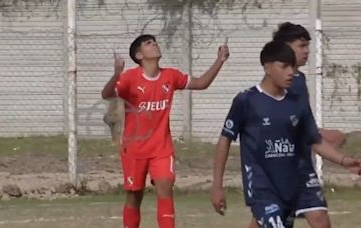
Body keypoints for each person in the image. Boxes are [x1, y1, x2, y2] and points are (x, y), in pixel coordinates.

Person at [210, 40, 361, 228]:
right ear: (267, 67)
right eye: (284, 66)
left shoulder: (296, 102)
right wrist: (217, 186)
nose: (290, 72)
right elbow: (225, 140)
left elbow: (313, 139)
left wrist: (344, 160)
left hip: (294, 181)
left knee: (321, 220)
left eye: (292, 66)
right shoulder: (246, 101)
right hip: (263, 186)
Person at [101, 34, 229, 228]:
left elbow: (202, 83)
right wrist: (117, 74)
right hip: (134, 150)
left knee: (165, 188)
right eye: (148, 43)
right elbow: (107, 94)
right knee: (134, 197)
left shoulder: (171, 76)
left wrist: (219, 61)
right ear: (139, 55)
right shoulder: (129, 78)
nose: (155, 45)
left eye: (155, 42)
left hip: (161, 148)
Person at [246, 22, 349, 228]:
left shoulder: (299, 80)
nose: (307, 51)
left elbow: (302, 125)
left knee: (319, 218)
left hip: (300, 167)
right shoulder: (279, 83)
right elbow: (280, 123)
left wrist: (340, 157)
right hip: (277, 165)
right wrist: (321, 135)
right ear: (285, 47)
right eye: (301, 45)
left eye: (307, 46)